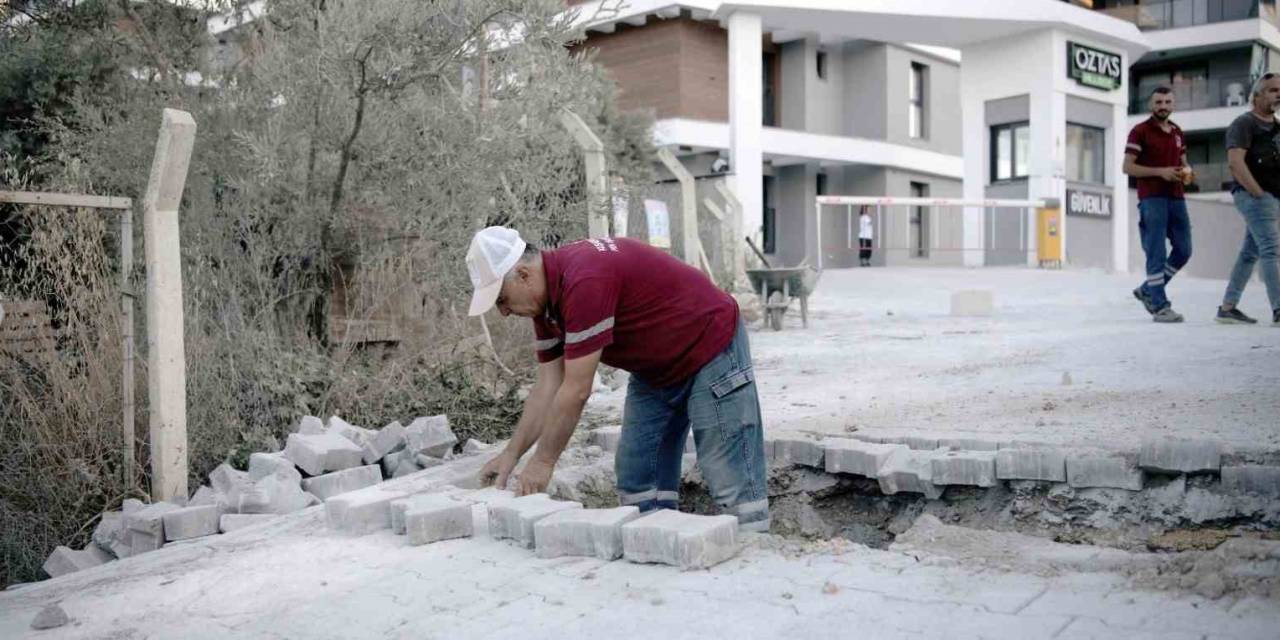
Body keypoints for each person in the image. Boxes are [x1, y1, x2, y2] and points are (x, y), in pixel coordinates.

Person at [467, 226, 770, 532]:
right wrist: (511, 454)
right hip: (655, 368)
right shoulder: (545, 306)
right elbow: (548, 386)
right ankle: (657, 542)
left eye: (502, 300)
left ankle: (752, 542)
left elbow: (576, 390)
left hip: (711, 346)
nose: (503, 312)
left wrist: (543, 462)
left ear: (523, 275)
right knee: (638, 476)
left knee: (728, 474)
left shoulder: (584, 280)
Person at [1124, 86, 1195, 323]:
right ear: (1150, 105)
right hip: (1151, 198)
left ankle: (1148, 289)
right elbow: (1127, 167)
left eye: (1167, 102)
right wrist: (1160, 172)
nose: (1163, 106)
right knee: (1156, 252)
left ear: (1173, 104)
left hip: (1177, 197)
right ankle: (1159, 306)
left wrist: (1187, 172)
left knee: (1184, 250)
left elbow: (1183, 162)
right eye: (1158, 102)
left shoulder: (1177, 132)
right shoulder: (1140, 131)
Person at [1216, 73, 1280, 326]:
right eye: (1273, 90)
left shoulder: (1277, 127)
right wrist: (1258, 193)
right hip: (1254, 196)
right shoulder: (1244, 123)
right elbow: (1235, 162)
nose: (1279, 94)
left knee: (1250, 253)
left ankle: (1228, 308)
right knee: (1271, 249)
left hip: (1271, 196)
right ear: (1257, 96)